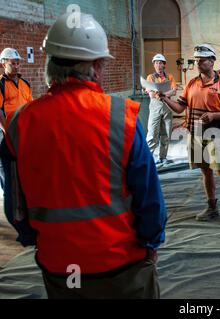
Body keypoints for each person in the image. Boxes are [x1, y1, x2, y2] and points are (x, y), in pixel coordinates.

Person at [4, 12, 167, 299]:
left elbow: (15, 205)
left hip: (62, 269)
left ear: (49, 63)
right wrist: (152, 243)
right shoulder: (122, 116)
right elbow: (149, 197)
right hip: (122, 266)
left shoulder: (20, 124)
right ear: (97, 65)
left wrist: (35, 239)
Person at [161, 44, 220, 229]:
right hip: (197, 133)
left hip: (216, 133)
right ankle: (212, 207)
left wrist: (214, 116)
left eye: (202, 60)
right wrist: (165, 99)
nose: (198, 62)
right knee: (205, 170)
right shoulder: (191, 83)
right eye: (197, 59)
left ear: (212, 61)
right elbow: (180, 107)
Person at [0, 48, 32, 192]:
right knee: (7, 165)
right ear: (3, 64)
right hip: (7, 132)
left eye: (18, 63)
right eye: (13, 63)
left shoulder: (25, 84)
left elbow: (31, 107)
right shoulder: (1, 84)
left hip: (24, 131)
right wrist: (7, 131)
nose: (16, 66)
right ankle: (8, 192)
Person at [146, 53, 177, 166]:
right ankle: (148, 159)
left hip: (167, 107)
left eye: (161, 63)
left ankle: (163, 157)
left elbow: (174, 91)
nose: (159, 65)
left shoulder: (170, 77)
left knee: (166, 133)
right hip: (155, 107)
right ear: (154, 65)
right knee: (153, 133)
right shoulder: (151, 77)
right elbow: (151, 93)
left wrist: (161, 93)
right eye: (156, 63)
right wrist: (164, 94)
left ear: (164, 65)